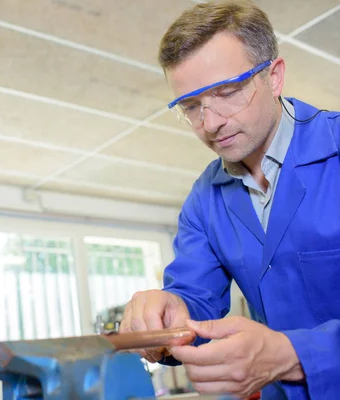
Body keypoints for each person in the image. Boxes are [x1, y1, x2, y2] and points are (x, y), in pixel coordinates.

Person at [120, 1, 340, 399]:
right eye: (190, 106)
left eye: (226, 92)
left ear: (274, 77)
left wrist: (295, 354)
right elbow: (195, 301)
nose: (210, 123)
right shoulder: (204, 200)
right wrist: (168, 313)